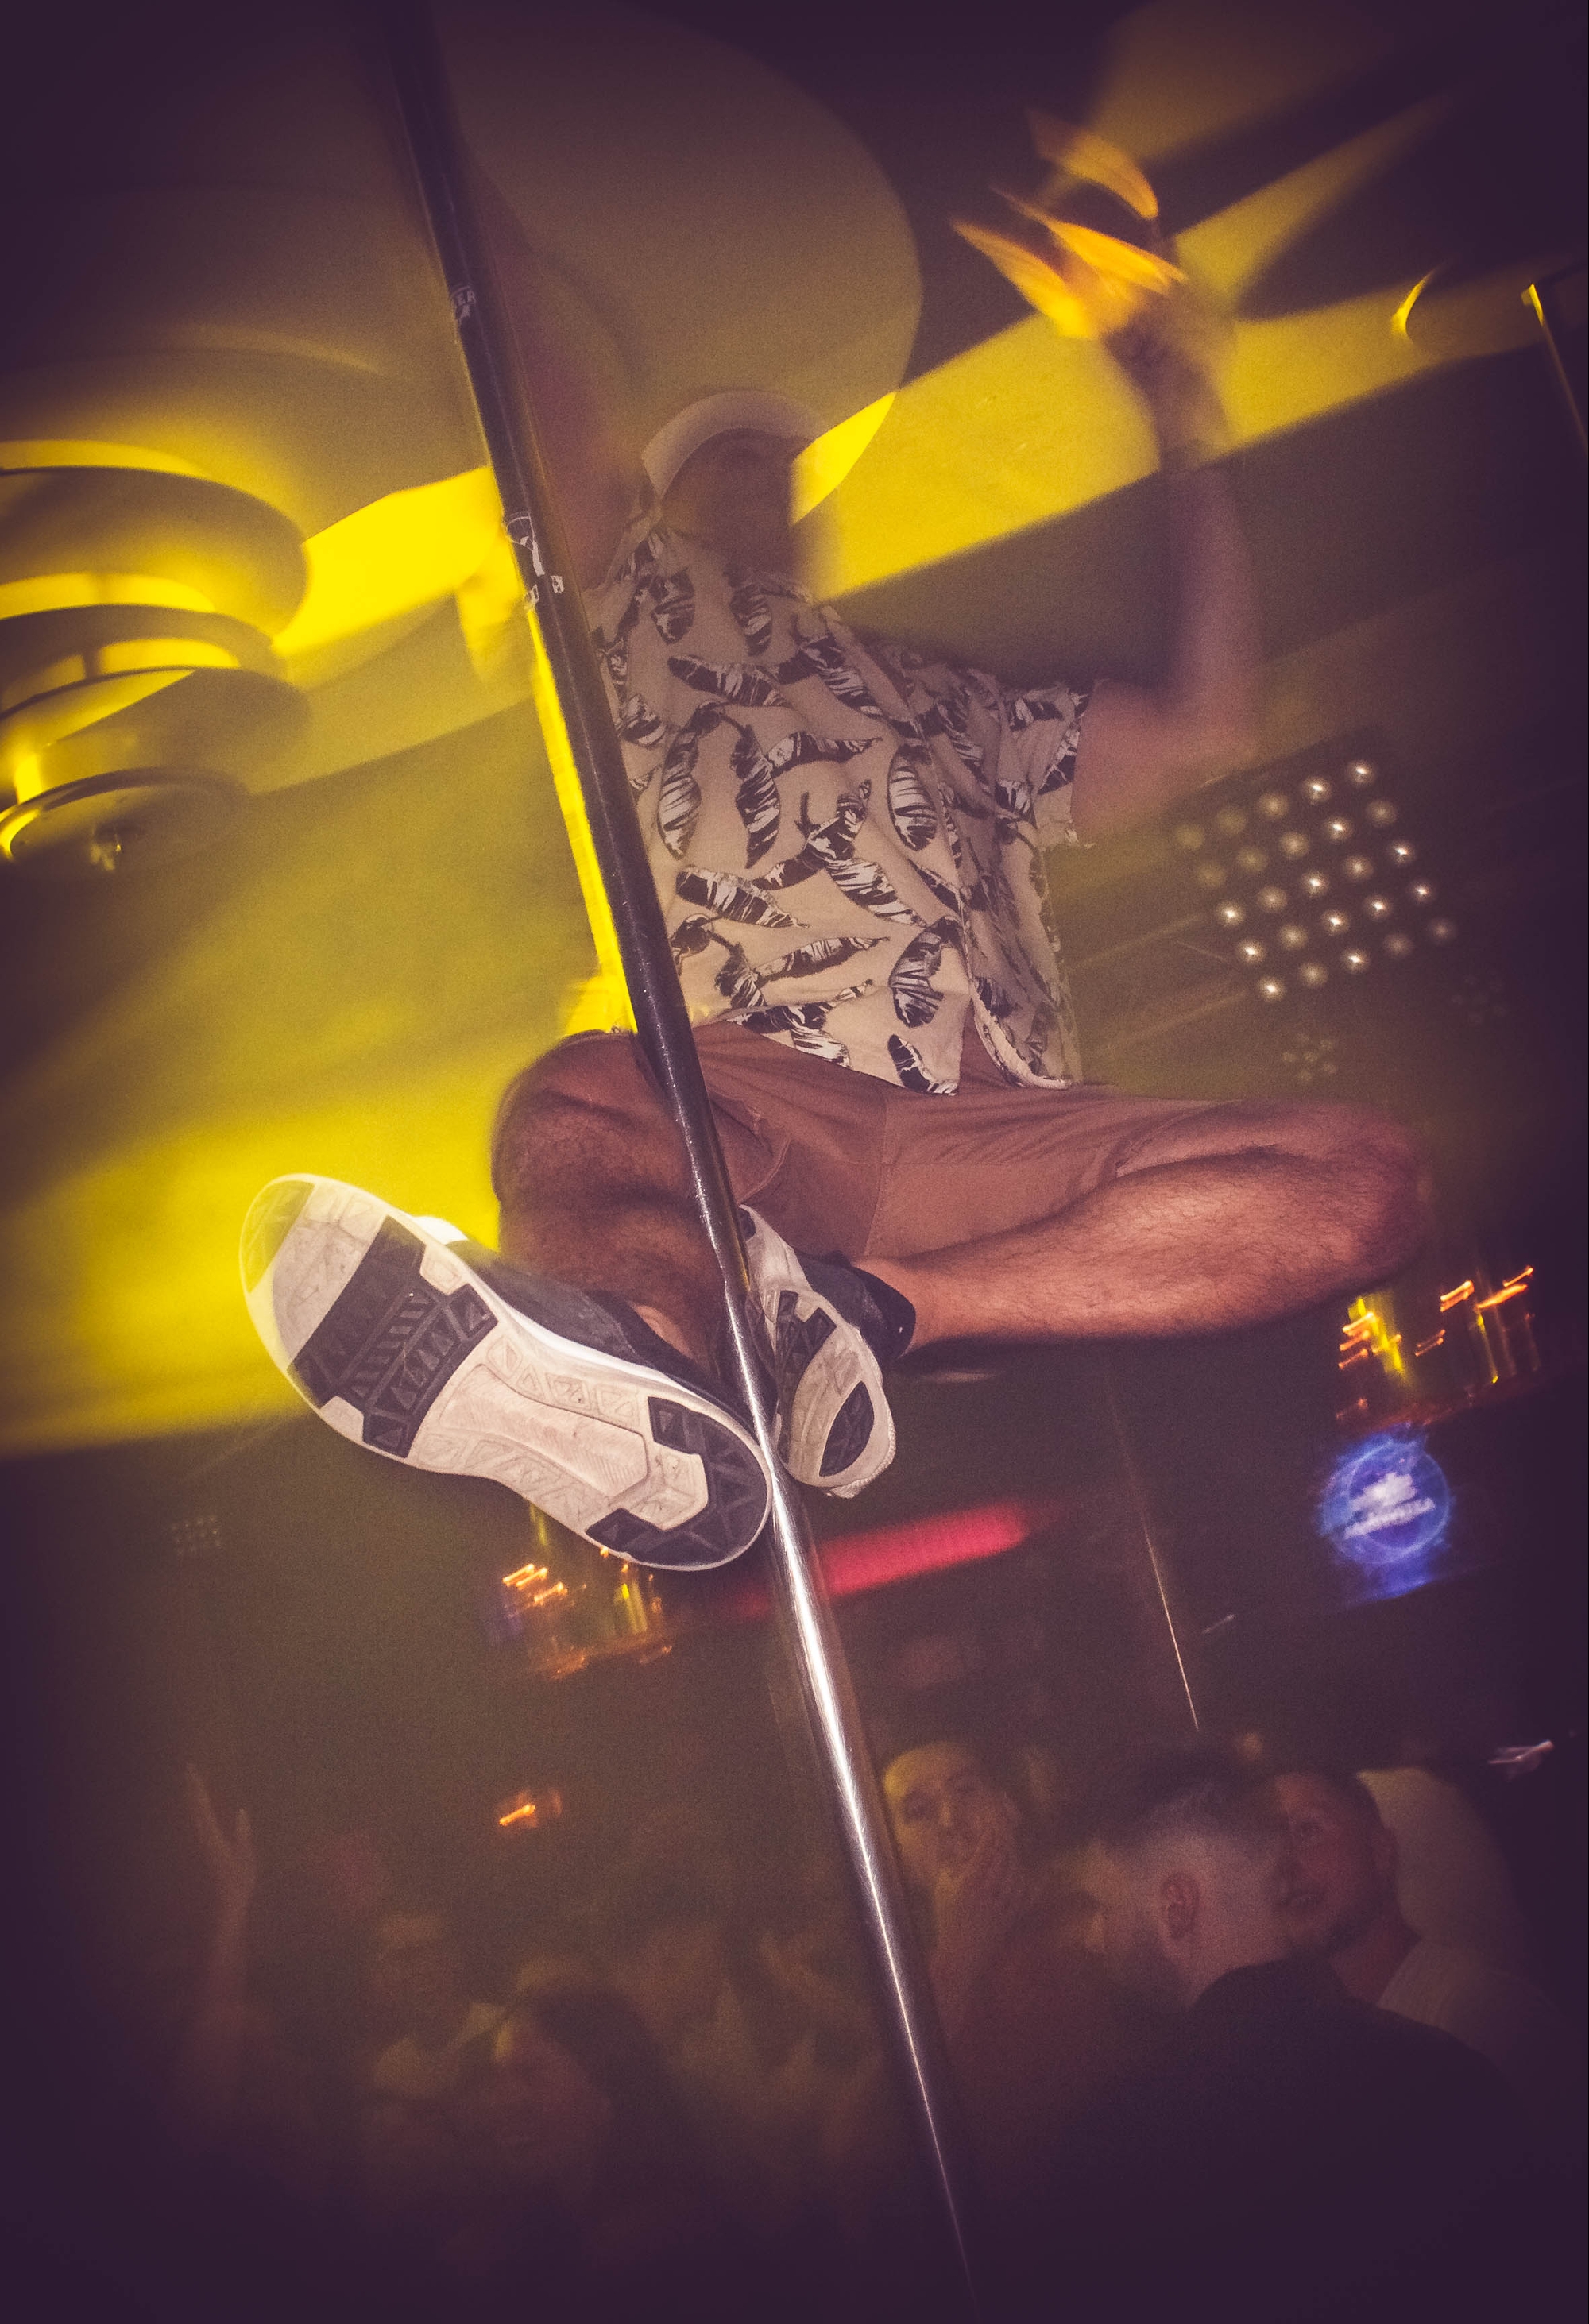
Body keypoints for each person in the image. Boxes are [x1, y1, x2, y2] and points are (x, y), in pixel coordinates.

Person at [241, 144, 1427, 1569]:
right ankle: (635, 1374)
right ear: (661, 501)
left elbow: (1207, 727)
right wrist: (433, 165)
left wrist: (1185, 414)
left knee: (1365, 1175)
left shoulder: (958, 703)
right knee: (576, 1097)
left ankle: (860, 1318)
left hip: (990, 1127)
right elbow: (533, 359)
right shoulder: (629, 612)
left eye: (780, 463)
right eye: (722, 460)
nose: (764, 475)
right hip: (757, 1091)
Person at [1030, 1752, 1556, 2324]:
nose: (1092, 1937)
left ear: (1176, 1906)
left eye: (1101, 1908)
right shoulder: (1451, 2079)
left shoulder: (1114, 2162)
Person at [880, 1735, 1149, 2193]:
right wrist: (960, 1952)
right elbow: (878, 2139)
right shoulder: (902, 1985)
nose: (950, 1822)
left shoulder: (1096, 1898)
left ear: (1008, 1808)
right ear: (898, 1860)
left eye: (966, 1791)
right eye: (919, 1812)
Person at [1268, 1766, 1575, 2143]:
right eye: (1268, 1844)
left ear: (1381, 1851)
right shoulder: (1319, 2044)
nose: (1282, 1865)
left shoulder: (1481, 2012)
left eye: (1306, 1830)